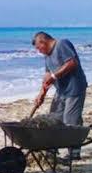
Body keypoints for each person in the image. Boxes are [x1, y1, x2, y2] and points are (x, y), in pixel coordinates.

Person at [31, 32, 88, 163]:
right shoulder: (47, 56)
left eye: (39, 48)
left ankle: (74, 152)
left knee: (71, 119)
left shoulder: (62, 44)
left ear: (43, 42)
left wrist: (54, 76)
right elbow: (47, 78)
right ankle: (52, 149)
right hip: (61, 91)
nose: (39, 52)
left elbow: (72, 63)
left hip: (75, 88)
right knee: (53, 118)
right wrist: (41, 94)